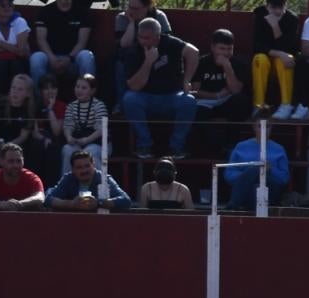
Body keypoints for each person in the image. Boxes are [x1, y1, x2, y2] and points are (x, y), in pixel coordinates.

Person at [118, 18, 198, 157]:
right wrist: (148, 62)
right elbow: (134, 87)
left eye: (147, 38)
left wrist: (187, 80)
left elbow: (193, 52)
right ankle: (145, 145)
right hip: (145, 97)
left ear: (157, 36)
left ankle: (176, 147)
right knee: (129, 99)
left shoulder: (170, 43)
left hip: (172, 96)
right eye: (140, 37)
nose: (143, 41)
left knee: (189, 101)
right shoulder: (134, 51)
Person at [31, 0, 98, 88]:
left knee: (87, 56)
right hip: (50, 59)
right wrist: (52, 58)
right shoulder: (44, 12)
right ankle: (38, 101)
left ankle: (88, 101)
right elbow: (41, 40)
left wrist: (69, 58)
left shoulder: (83, 13)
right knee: (36, 58)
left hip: (73, 60)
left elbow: (82, 42)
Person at [249, 0, 304, 119]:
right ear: (267, 6)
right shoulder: (259, 14)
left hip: (283, 57)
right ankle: (258, 105)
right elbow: (257, 45)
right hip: (266, 56)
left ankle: (286, 104)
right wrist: (278, 53)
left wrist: (275, 26)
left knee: (286, 60)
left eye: (281, 7)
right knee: (259, 59)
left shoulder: (292, 19)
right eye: (274, 8)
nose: (278, 11)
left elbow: (288, 46)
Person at [225, 117, 291, 213]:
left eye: (267, 126)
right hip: (246, 191)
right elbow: (228, 174)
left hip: (271, 187)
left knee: (257, 169)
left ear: (271, 128)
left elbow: (284, 178)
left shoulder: (279, 149)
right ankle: (256, 219)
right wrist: (248, 175)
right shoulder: (241, 146)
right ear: (254, 127)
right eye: (260, 126)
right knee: (255, 182)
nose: (264, 129)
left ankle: (233, 205)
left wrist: (271, 169)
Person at [45, 148, 132, 212]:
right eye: (79, 167)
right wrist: (71, 204)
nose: (84, 170)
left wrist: (99, 203)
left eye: (87, 166)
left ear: (93, 165)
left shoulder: (104, 179)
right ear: (73, 170)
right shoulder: (69, 178)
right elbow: (48, 199)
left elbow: (126, 200)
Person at [0, 141, 46, 210]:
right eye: (11, 161)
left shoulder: (32, 178)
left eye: (19, 161)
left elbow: (40, 198)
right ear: (1, 161)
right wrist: (0, 204)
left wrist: (20, 204)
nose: (15, 165)